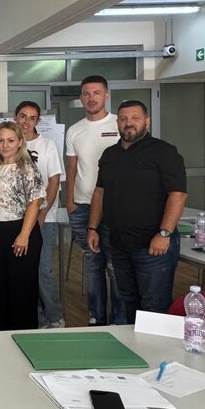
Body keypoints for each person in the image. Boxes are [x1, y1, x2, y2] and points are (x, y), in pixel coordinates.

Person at [87, 100, 187, 321]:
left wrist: (164, 233)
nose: (128, 123)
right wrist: (92, 228)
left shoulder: (164, 152)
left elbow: (178, 194)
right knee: (127, 302)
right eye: (123, 119)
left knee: (154, 306)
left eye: (135, 118)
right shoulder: (110, 155)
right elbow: (100, 192)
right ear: (117, 123)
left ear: (146, 121)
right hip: (119, 244)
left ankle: (154, 346)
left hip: (152, 246)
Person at [65, 75, 126, 326]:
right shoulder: (74, 130)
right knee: (92, 264)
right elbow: (71, 169)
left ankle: (120, 321)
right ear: (81, 98)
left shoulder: (120, 124)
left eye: (96, 93)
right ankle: (96, 318)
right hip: (82, 206)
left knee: (115, 266)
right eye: (86, 94)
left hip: (114, 208)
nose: (91, 98)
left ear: (106, 95)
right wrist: (69, 202)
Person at [0, 121, 45, 331]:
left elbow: (34, 203)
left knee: (21, 290)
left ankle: (23, 337)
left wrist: (24, 235)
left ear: (19, 142)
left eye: (10, 140)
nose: (5, 145)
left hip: (20, 230)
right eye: (0, 140)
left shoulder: (27, 168)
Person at [15, 101, 66, 328]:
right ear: (16, 117)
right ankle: (37, 319)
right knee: (25, 272)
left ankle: (54, 315)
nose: (26, 122)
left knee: (43, 270)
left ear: (38, 121)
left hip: (44, 218)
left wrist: (43, 212)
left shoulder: (47, 144)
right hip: (17, 218)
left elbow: (54, 181)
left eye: (32, 118)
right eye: (22, 116)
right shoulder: (10, 143)